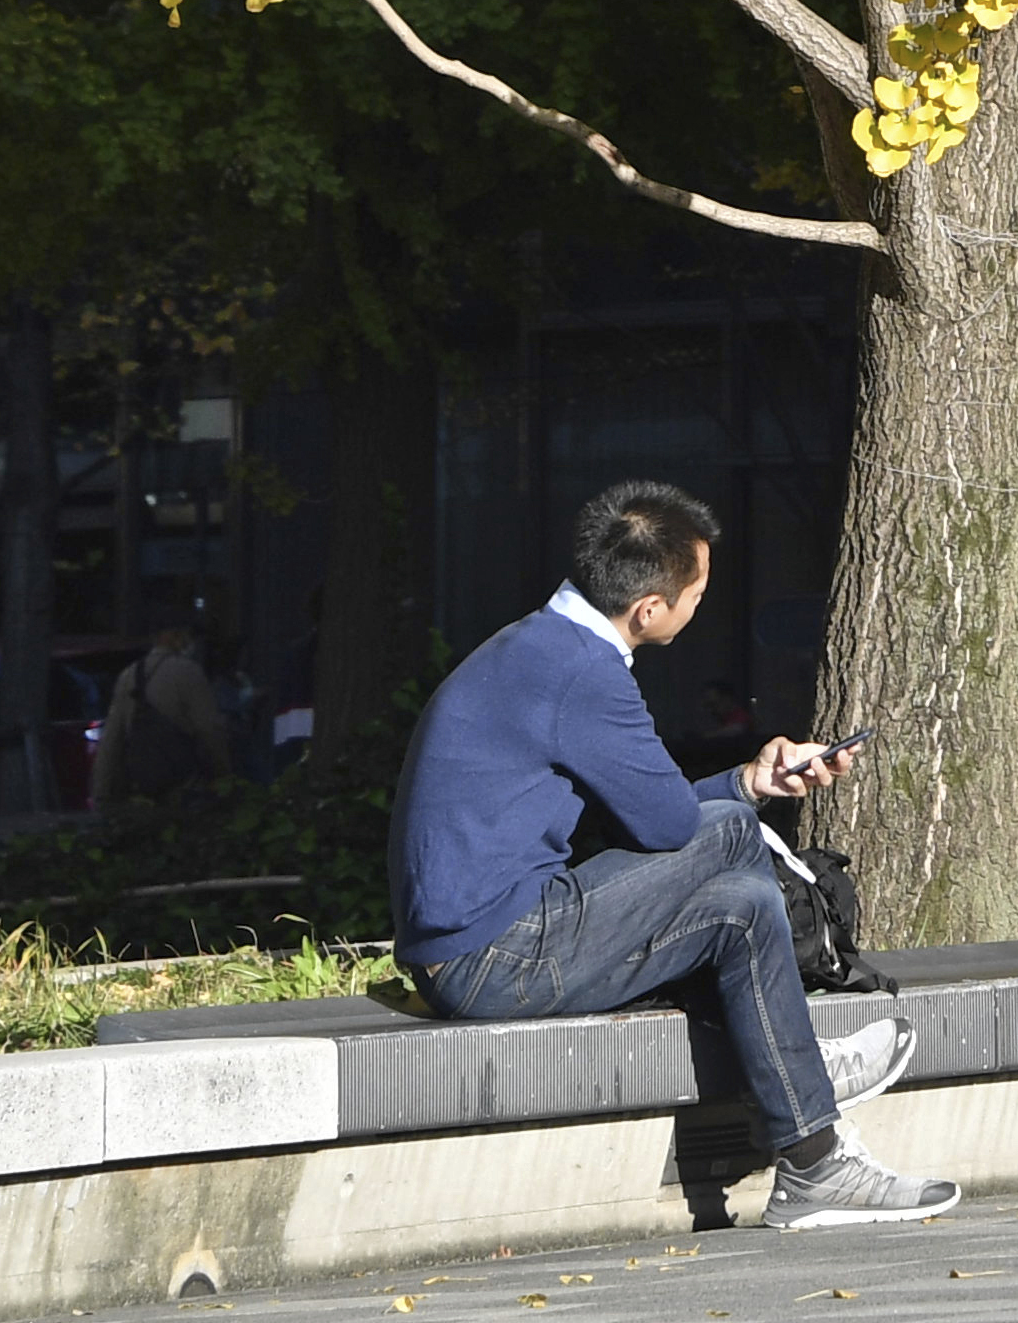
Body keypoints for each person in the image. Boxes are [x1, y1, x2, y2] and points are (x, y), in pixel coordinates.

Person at [388, 482, 948, 1229]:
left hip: (486, 941)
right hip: (497, 958)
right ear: (649, 609)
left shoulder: (538, 646)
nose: (699, 605)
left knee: (743, 910)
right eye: (696, 592)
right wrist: (746, 798)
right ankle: (803, 1059)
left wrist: (752, 779)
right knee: (729, 835)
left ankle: (813, 1163)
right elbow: (672, 826)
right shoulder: (583, 674)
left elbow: (650, 819)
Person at [96, 613, 235, 815]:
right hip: (184, 790)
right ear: (174, 636)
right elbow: (209, 730)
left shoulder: (129, 675)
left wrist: (102, 793)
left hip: (141, 790)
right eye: (188, 636)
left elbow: (112, 740)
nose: (191, 643)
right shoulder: (189, 672)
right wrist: (224, 778)